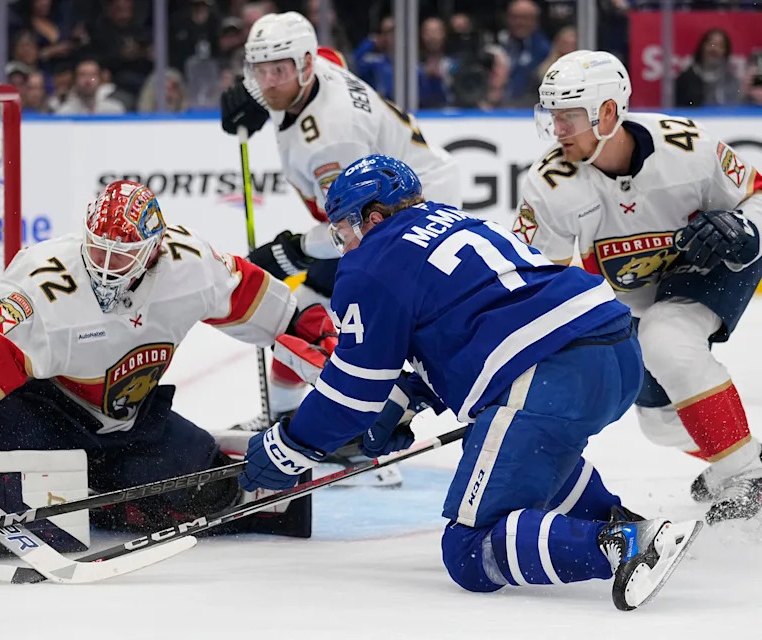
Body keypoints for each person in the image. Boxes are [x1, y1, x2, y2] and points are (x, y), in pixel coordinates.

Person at [238, 153, 702, 611]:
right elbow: (470, 319)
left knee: (470, 550)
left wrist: (289, 446)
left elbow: (351, 393)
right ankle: (616, 520)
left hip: (549, 370)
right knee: (504, 445)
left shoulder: (370, 262)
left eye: (343, 230)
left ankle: (622, 543)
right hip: (613, 346)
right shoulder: (453, 220)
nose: (343, 246)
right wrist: (408, 396)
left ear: (372, 218)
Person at [0, 180, 338, 546]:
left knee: (202, 491)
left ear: (153, 250)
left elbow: (250, 296)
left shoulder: (190, 265)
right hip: (44, 412)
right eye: (97, 250)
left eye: (120, 256)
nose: (103, 266)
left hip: (133, 422)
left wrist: (303, 326)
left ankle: (114, 489)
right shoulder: (43, 283)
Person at [514, 49, 762, 525]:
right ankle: (744, 453)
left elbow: (755, 195)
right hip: (634, 300)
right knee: (658, 421)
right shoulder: (550, 184)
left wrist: (745, 230)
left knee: (666, 339)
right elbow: (535, 278)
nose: (557, 130)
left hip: (714, 267)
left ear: (608, 112)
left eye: (569, 117)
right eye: (552, 116)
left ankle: (746, 476)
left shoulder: (688, 147)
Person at [218, 11, 461, 443]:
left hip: (404, 215)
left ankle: (367, 425)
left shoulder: (332, 139)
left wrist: (289, 251)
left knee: (337, 317)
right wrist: (259, 101)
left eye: (279, 71)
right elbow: (332, 58)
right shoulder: (319, 69)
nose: (268, 83)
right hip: (395, 201)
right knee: (308, 312)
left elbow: (355, 225)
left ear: (305, 65)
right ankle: (291, 417)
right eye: (259, 71)